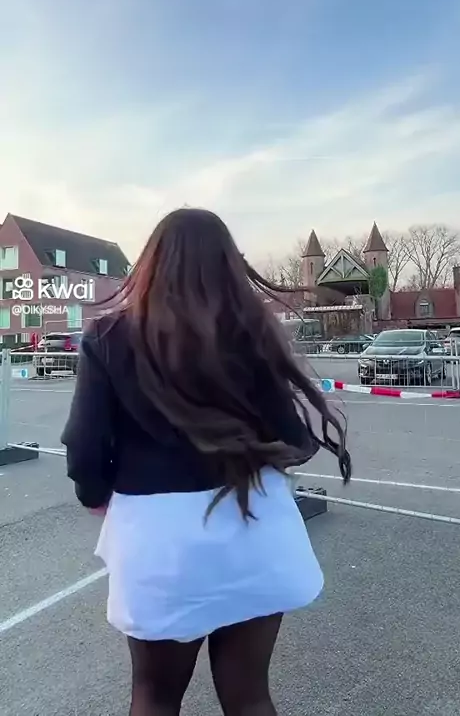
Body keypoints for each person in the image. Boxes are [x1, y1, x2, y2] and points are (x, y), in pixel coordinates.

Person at [61, 208, 351, 716]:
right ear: (227, 265)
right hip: (252, 523)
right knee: (249, 695)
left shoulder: (107, 337)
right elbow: (296, 441)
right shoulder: (251, 334)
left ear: (151, 262)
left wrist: (96, 497)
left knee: (154, 695)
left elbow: (85, 448)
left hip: (160, 537)